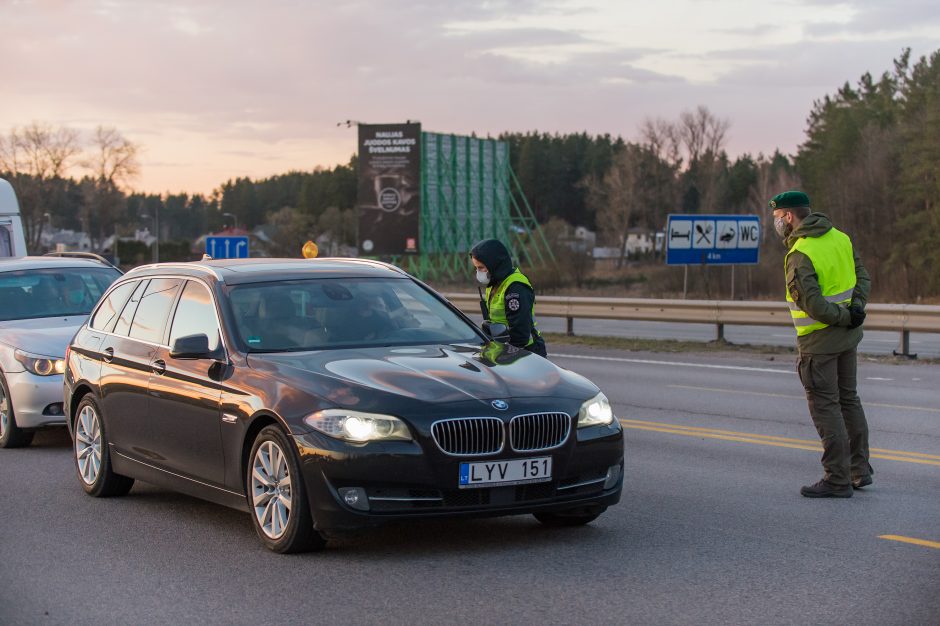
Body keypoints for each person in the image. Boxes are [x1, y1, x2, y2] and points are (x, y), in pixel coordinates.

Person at [770, 190, 873, 498]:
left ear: (789, 216)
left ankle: (837, 478)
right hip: (848, 338)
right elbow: (863, 277)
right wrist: (855, 311)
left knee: (826, 408)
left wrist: (843, 316)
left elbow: (811, 304)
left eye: (777, 218)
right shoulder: (840, 238)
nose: (777, 224)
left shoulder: (800, 253)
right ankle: (859, 470)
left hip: (820, 343)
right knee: (849, 401)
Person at [469, 239, 547, 357]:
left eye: (481, 268)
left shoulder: (515, 286)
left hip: (526, 351)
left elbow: (520, 333)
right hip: (504, 348)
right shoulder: (494, 282)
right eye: (476, 268)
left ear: (494, 264)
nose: (478, 272)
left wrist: (505, 356)